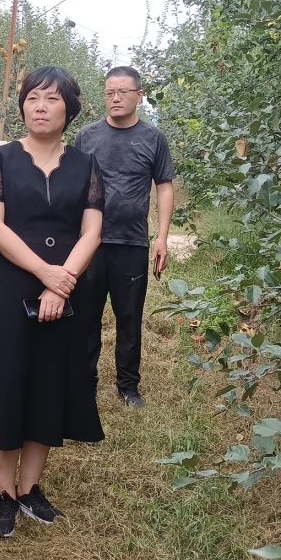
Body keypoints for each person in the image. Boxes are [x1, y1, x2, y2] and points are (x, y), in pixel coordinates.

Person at [0, 66, 105, 538]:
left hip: (65, 287)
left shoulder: (86, 165)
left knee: (47, 383)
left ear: (70, 108)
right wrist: (45, 273)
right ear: (23, 105)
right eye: (32, 98)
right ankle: (4, 495)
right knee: (6, 382)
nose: (40, 107)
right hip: (9, 287)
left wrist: (61, 282)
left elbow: (91, 232)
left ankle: (30, 489)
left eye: (52, 99)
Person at [74, 66, 176, 407]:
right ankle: (83, 383)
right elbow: (72, 185)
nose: (115, 98)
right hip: (89, 244)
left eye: (122, 92)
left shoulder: (153, 138)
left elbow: (164, 187)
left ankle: (128, 387)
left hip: (132, 242)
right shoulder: (87, 136)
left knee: (129, 319)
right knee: (85, 317)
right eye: (109, 92)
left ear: (139, 95)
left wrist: (162, 237)